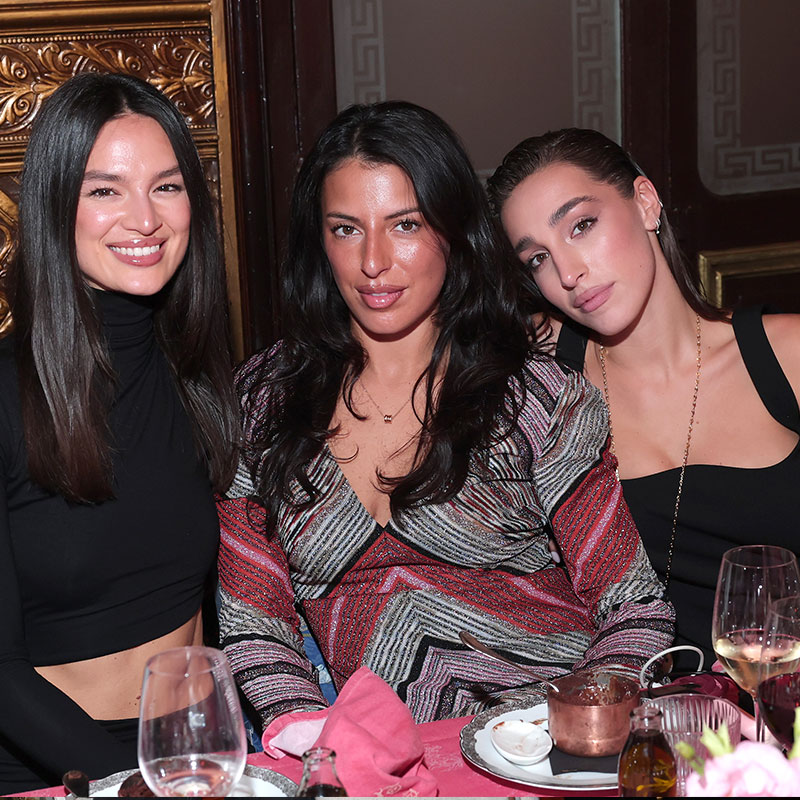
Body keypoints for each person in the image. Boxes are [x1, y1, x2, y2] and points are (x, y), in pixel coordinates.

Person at [217, 101, 674, 730]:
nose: (373, 261)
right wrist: (315, 742)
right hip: (378, 765)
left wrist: (574, 732)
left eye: (404, 225)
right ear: (318, 241)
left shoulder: (531, 397)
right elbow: (254, 622)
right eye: (346, 228)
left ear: (453, 231)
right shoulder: (266, 399)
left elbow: (635, 607)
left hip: (544, 748)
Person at [0, 72, 238, 792]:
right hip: (57, 767)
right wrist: (132, 781)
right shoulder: (6, 394)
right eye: (105, 190)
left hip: (201, 748)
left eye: (167, 187)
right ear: (53, 205)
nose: (145, 219)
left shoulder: (199, 376)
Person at [488, 127, 800, 671]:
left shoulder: (787, 354)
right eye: (537, 258)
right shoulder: (539, 382)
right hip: (632, 723)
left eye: (582, 225)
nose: (567, 273)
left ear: (647, 202)